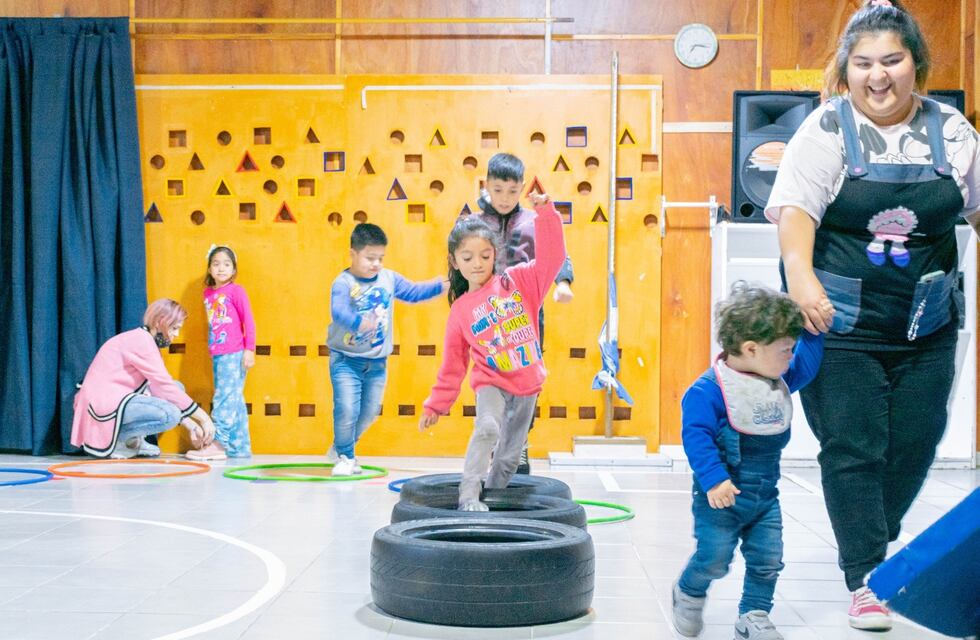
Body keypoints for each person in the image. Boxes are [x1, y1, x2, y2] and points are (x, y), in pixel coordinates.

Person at [765, 0, 980, 630]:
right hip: (839, 321)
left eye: (891, 60)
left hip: (927, 322)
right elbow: (798, 211)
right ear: (845, 69)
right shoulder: (826, 130)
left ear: (917, 66)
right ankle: (865, 576)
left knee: (915, 443)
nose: (877, 76)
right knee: (853, 447)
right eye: (862, 64)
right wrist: (800, 279)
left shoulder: (954, 131)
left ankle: (870, 536)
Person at [672, 284, 824, 640]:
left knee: (768, 560)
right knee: (715, 557)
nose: (792, 355)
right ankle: (689, 591)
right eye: (786, 349)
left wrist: (815, 333)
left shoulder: (778, 377)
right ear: (751, 349)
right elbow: (696, 437)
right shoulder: (708, 390)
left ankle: (753, 615)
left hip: (765, 497)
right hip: (721, 496)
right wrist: (713, 478)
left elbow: (808, 366)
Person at [420, 192, 566, 510]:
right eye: (468, 258)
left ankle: (493, 499)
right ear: (455, 261)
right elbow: (453, 366)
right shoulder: (460, 310)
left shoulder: (519, 282)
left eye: (485, 256)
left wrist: (545, 213)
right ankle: (468, 496)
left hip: (527, 384)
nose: (477, 264)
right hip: (491, 381)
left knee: (510, 457)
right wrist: (436, 405)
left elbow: (553, 260)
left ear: (495, 255)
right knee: (487, 428)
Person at [473, 152, 575, 474]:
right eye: (498, 189)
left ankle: (520, 445)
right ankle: (497, 445)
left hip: (526, 318)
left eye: (512, 191)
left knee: (525, 382)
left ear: (521, 189)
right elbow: (459, 263)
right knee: (492, 383)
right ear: (486, 185)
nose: (505, 198)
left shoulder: (531, 222)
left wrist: (563, 283)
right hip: (488, 320)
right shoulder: (474, 224)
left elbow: (557, 254)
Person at [326, 222, 446, 476]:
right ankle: (346, 456)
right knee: (347, 408)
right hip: (346, 360)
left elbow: (413, 292)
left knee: (369, 412)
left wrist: (439, 286)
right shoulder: (343, 282)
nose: (376, 264)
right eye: (370, 258)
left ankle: (340, 447)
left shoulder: (388, 279)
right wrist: (359, 323)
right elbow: (338, 312)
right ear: (353, 254)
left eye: (380, 258)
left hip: (377, 363)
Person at [71, 298, 216, 458]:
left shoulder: (143, 339)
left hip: (115, 398)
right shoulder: (141, 341)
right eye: (174, 328)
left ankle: (132, 440)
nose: (176, 334)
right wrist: (203, 419)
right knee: (170, 414)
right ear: (161, 322)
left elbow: (161, 388)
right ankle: (118, 440)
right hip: (104, 403)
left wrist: (190, 424)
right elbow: (164, 387)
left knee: (177, 387)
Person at [186, 244, 256, 461]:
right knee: (234, 398)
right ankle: (239, 446)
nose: (221, 268)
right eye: (216, 264)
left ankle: (218, 443)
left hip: (234, 352)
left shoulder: (237, 291)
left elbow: (249, 321)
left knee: (224, 398)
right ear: (209, 269)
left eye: (227, 264)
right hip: (218, 353)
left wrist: (249, 349)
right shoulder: (208, 293)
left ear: (234, 270)